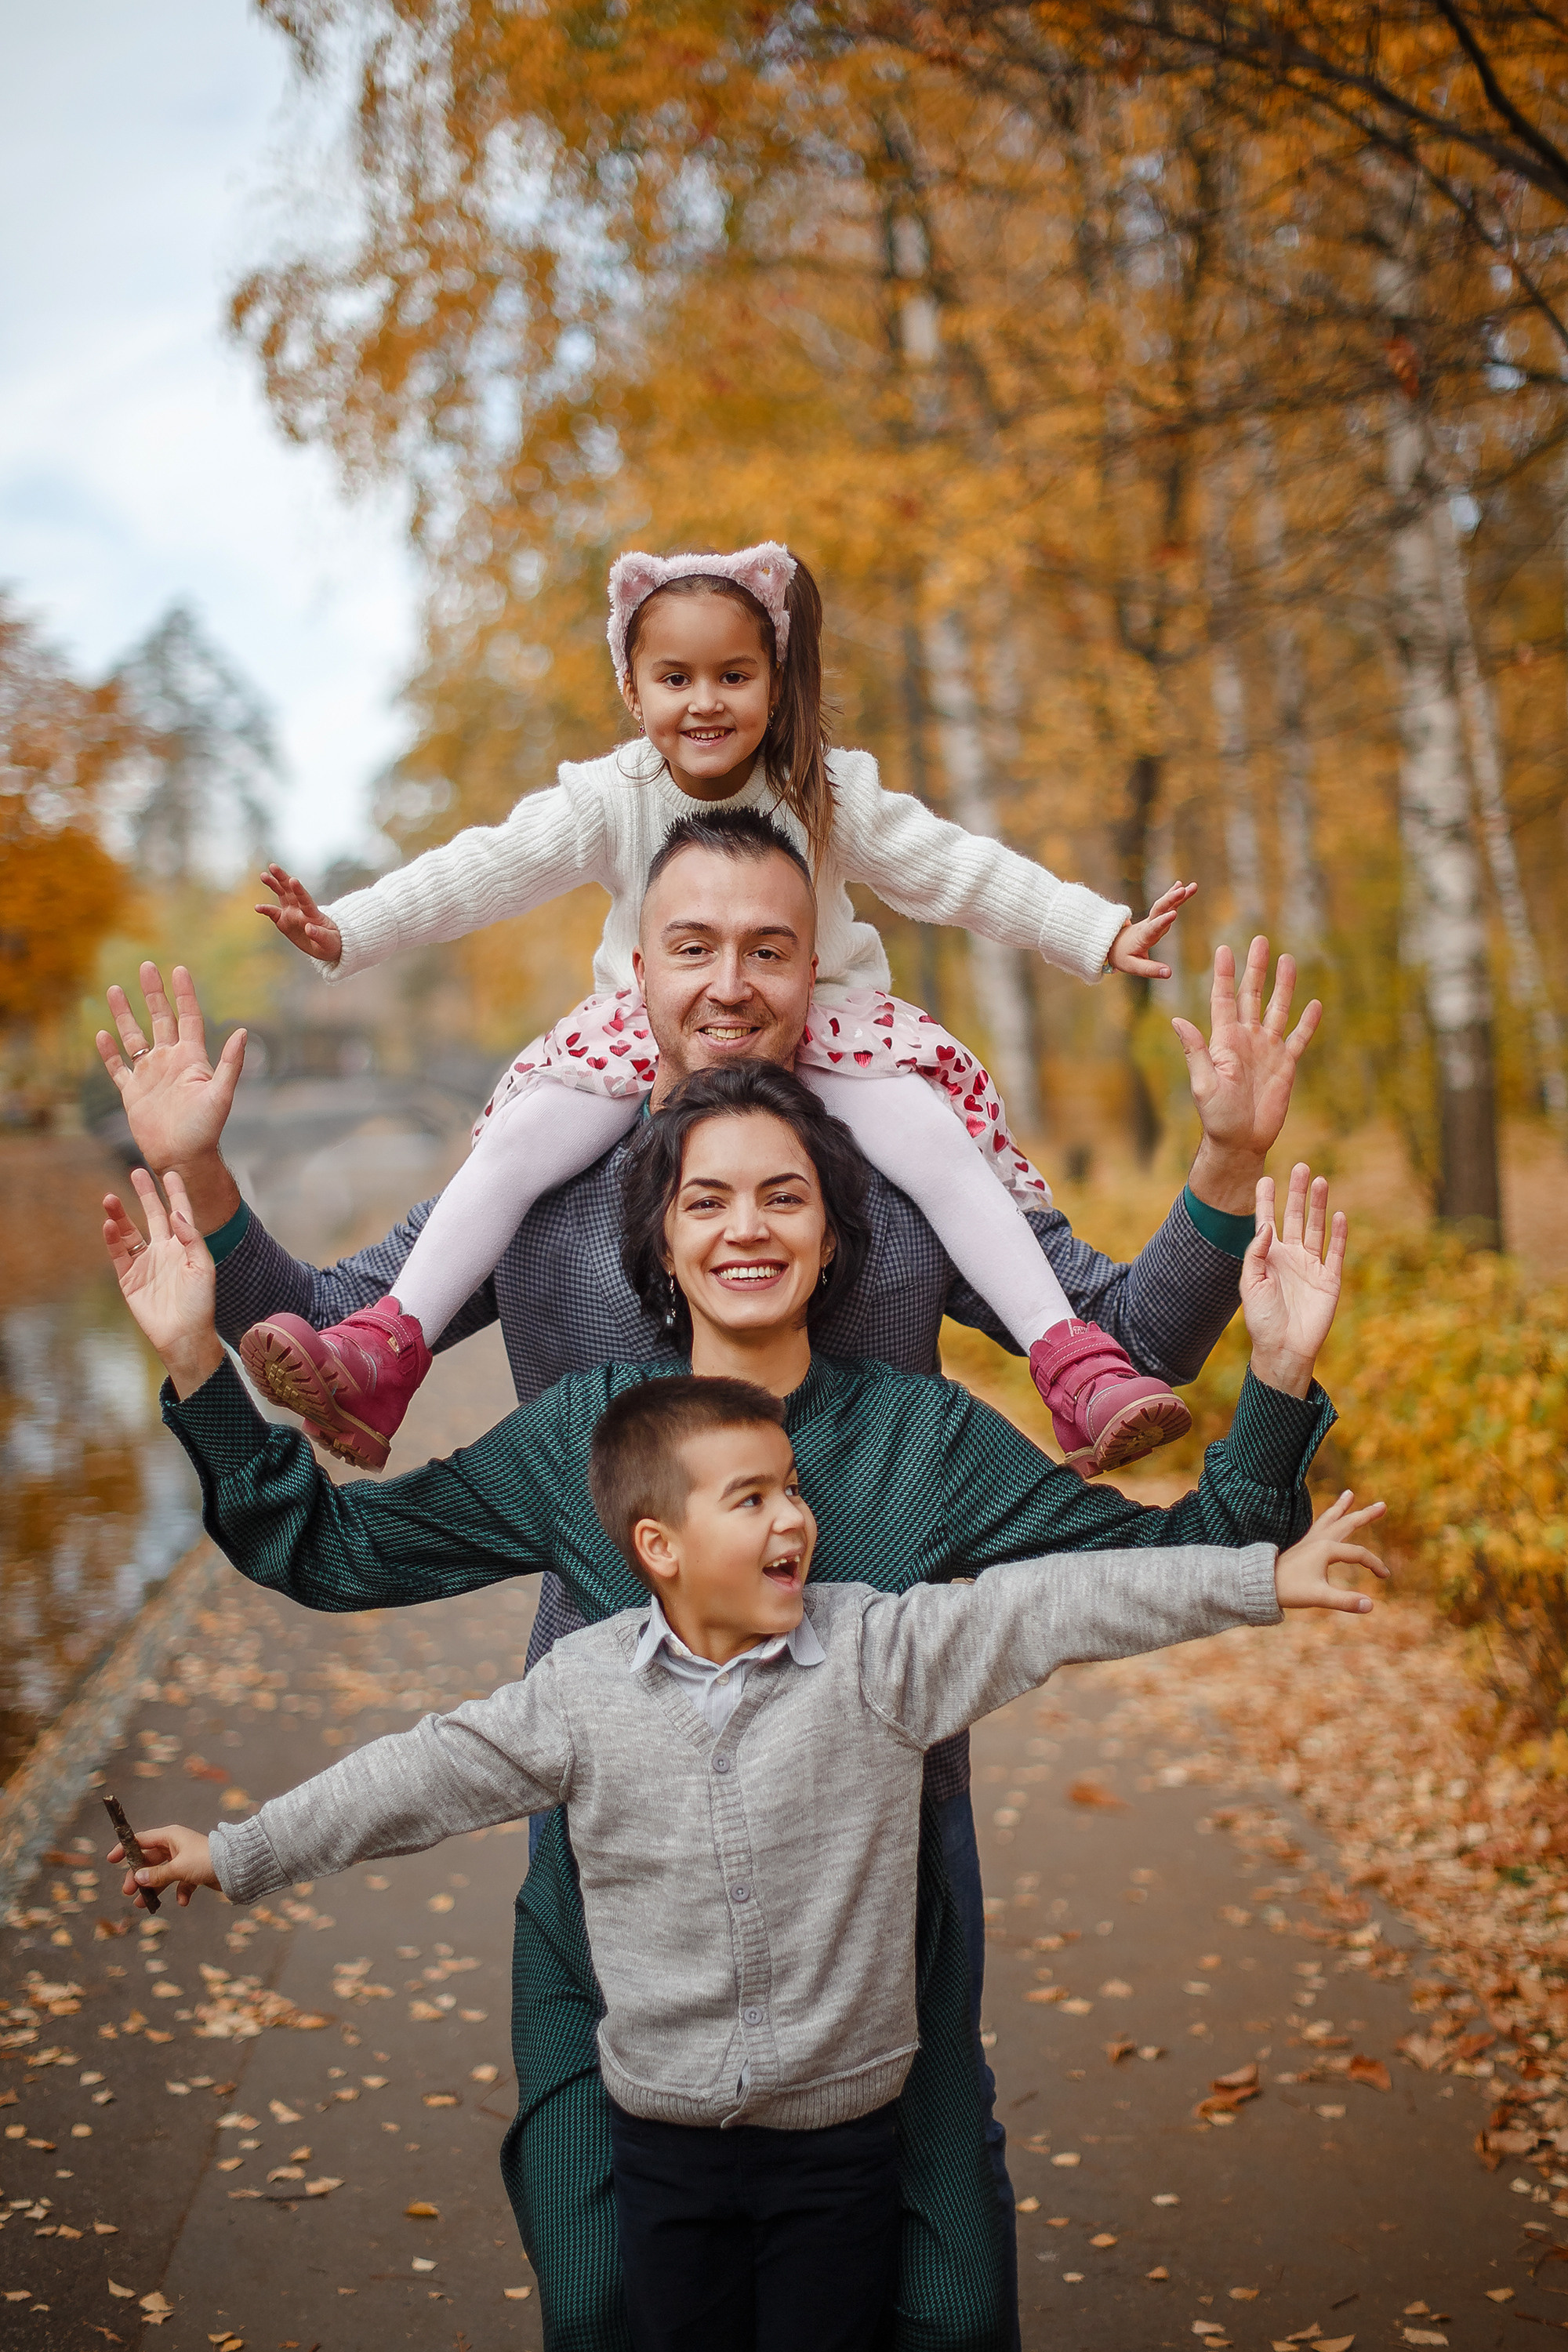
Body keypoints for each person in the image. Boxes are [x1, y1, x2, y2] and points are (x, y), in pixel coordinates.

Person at [96, 822, 1317, 2339]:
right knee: (609, 2306)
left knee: (942, 2317)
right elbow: (335, 1358)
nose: (730, 984)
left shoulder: (909, 1232)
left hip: (880, 1891)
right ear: (637, 966)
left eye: (768, 948)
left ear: (817, 970)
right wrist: (197, 1241)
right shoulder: (549, 1227)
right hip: (614, 1887)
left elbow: (1136, 1390)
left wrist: (1236, 1203)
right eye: (693, 946)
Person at [112, 1377, 1384, 2352]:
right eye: (752, 1499)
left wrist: (1264, 1577)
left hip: (840, 2142)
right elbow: (418, 1776)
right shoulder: (584, 1693)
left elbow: (1052, 1607)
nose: (793, 1518)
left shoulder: (878, 1655)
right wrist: (235, 1851)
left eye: (793, 1489)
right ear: (658, 1547)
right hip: (664, 2141)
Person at [242, 541, 1205, 1475]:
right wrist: (350, 930)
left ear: (774, 685)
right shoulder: (611, 795)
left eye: (733, 676)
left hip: (826, 1018)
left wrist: (1092, 932)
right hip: (644, 1024)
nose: (704, 701)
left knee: (938, 1150)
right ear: (632, 691)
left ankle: (1069, 1361)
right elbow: (485, 869)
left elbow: (955, 868)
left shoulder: (824, 786)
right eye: (675, 678)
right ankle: (386, 1350)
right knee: (515, 1146)